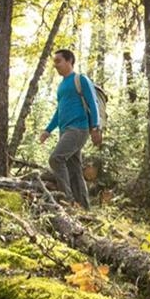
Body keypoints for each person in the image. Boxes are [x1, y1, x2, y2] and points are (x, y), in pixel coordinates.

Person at [38, 49, 101, 208]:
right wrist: (48, 130)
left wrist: (95, 126)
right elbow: (59, 111)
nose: (56, 65)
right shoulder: (61, 87)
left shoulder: (80, 79)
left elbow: (93, 103)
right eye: (54, 62)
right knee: (75, 170)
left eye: (58, 61)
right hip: (65, 130)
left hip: (79, 129)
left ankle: (67, 199)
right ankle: (84, 208)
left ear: (69, 61)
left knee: (56, 158)